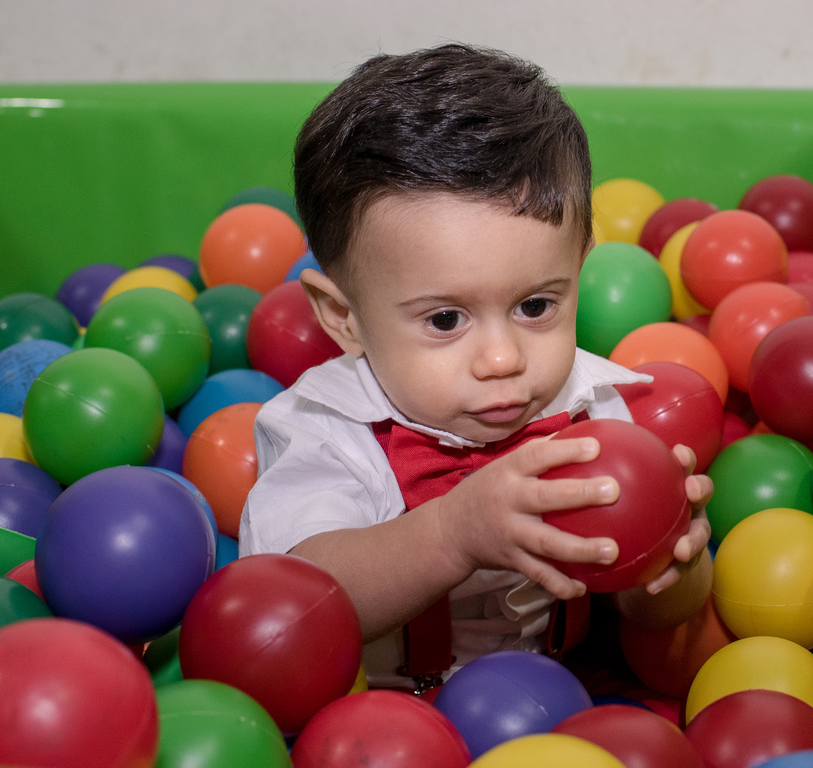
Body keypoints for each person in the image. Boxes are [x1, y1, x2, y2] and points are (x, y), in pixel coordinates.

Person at [240, 43, 713, 691]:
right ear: (343, 315)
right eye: (445, 320)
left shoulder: (592, 410)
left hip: (557, 705)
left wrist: (672, 559)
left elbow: (650, 613)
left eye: (536, 306)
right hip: (373, 718)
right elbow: (296, 604)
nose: (502, 359)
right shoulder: (323, 428)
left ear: (579, 269)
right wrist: (452, 534)